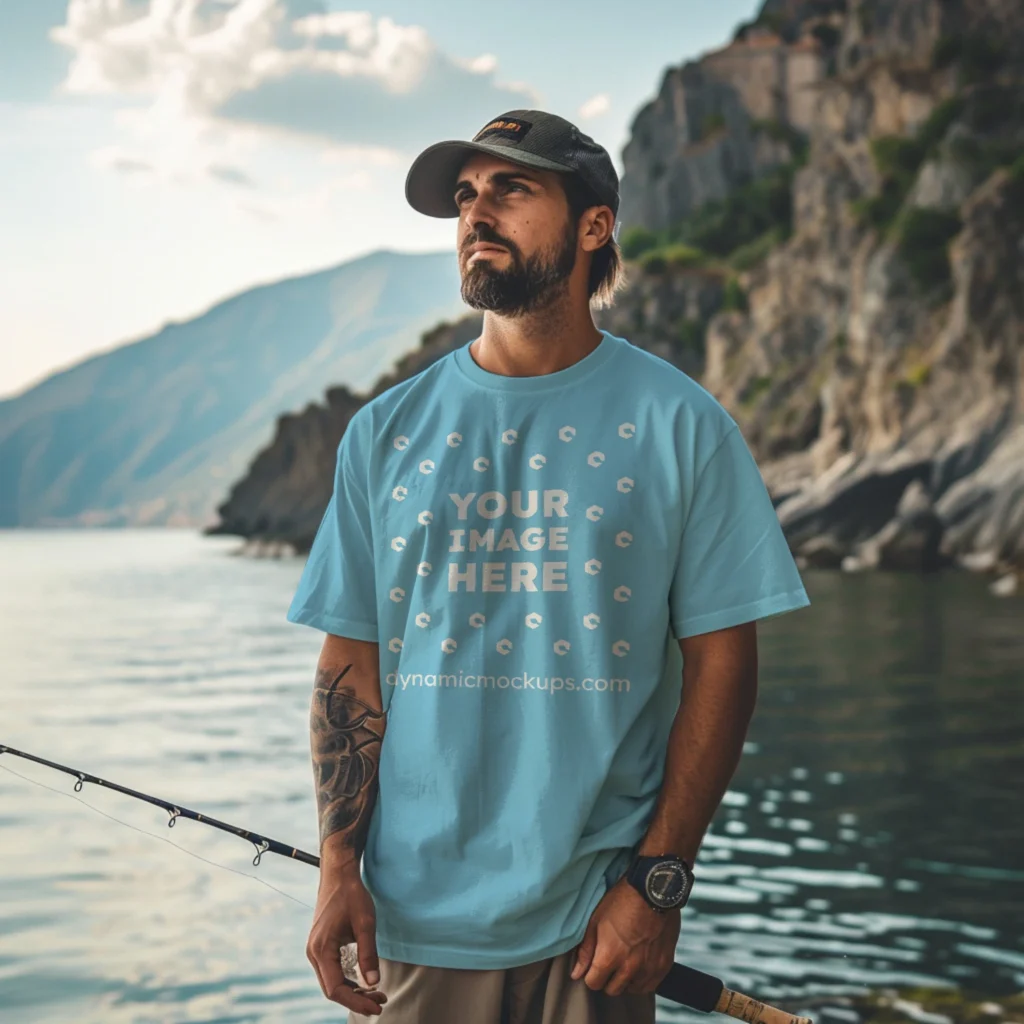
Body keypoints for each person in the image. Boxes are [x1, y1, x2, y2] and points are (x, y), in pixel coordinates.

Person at [287, 108, 811, 1023]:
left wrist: (657, 885)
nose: (477, 214)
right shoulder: (385, 433)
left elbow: (723, 662)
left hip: (598, 926)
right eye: (465, 196)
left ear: (593, 226)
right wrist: (338, 869)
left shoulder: (682, 425)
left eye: (512, 190)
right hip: (420, 925)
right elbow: (351, 665)